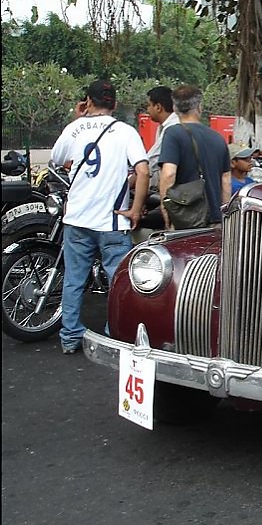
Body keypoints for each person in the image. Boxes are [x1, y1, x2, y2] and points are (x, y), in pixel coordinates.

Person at [50, 79, 150, 354]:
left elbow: (58, 159)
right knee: (118, 283)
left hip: (77, 220)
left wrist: (77, 117)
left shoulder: (74, 128)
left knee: (73, 280)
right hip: (113, 221)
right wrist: (135, 209)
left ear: (88, 101)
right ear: (115, 104)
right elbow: (142, 170)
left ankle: (70, 337)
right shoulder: (125, 132)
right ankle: (113, 338)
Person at [158, 84, 231, 229]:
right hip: (215, 219)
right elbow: (226, 181)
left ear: (174, 108)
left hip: (185, 218)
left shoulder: (173, 134)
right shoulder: (218, 138)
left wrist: (165, 206)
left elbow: (169, 174)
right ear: (199, 107)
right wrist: (223, 212)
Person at [144, 85, 179, 191]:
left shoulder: (172, 128)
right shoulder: (163, 126)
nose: (147, 109)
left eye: (149, 105)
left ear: (158, 107)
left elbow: (150, 161)